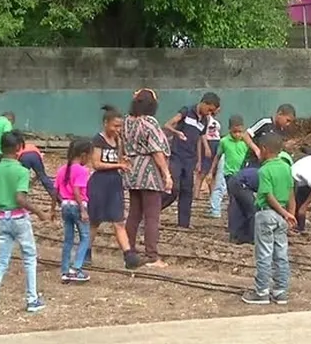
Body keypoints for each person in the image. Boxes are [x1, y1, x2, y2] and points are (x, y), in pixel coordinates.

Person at [0, 131, 49, 318]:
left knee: (0, 260)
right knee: (29, 257)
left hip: (1, 218)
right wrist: (40, 212)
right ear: (19, 148)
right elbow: (20, 198)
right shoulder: (22, 171)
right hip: (19, 219)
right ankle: (32, 299)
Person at [242, 134, 296, 305]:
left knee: (264, 254)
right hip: (282, 217)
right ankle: (280, 291)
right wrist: (289, 214)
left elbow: (268, 195)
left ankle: (262, 292)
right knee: (281, 253)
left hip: (267, 214)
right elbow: (290, 193)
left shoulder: (264, 170)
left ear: (264, 149)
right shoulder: (286, 168)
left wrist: (284, 212)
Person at [89, 106, 144, 269]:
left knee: (118, 221)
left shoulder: (118, 140)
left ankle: (129, 256)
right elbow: (96, 164)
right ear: (105, 123)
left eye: (120, 126)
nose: (117, 129)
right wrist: (118, 164)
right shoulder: (97, 140)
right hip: (100, 183)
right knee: (94, 221)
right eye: (115, 126)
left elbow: (118, 159)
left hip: (114, 182)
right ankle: (85, 251)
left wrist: (123, 161)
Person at [123, 88, 173, 267]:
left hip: (132, 170)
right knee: (152, 215)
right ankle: (152, 255)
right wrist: (166, 174)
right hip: (149, 171)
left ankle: (128, 250)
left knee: (134, 213)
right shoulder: (149, 122)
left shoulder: (127, 121)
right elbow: (156, 151)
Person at [161, 92, 221, 228]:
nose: (210, 113)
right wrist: (177, 133)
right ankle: (153, 211)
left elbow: (200, 138)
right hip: (177, 155)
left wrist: (199, 160)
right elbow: (168, 124)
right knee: (173, 188)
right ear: (204, 103)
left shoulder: (204, 120)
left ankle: (184, 223)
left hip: (190, 158)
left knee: (187, 190)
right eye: (209, 109)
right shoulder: (186, 111)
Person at [54, 139, 94, 282]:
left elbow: (56, 191)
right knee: (85, 237)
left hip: (65, 205)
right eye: (89, 156)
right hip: (78, 205)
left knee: (68, 239)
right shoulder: (82, 170)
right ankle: (76, 268)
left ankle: (65, 270)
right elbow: (77, 190)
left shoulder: (62, 169)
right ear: (83, 155)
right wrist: (83, 210)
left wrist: (54, 208)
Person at [210, 115, 249, 219]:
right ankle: (232, 218)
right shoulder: (224, 141)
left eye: (240, 132)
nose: (237, 134)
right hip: (229, 173)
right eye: (234, 132)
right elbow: (217, 156)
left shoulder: (246, 142)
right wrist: (211, 171)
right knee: (232, 197)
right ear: (229, 130)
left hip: (243, 174)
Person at [227, 165, 260, 244]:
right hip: (241, 183)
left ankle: (236, 236)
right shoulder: (268, 176)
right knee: (252, 210)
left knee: (238, 208)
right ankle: (252, 237)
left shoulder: (263, 171)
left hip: (233, 180)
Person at [16, 134, 56, 198]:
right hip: (35, 155)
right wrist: (35, 179)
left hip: (23, 156)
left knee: (22, 178)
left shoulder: (17, 148)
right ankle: (57, 196)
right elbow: (39, 160)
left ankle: (20, 195)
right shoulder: (31, 145)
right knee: (43, 176)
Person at [196, 112, 222, 201]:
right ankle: (196, 194)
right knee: (203, 171)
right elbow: (201, 136)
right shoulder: (204, 119)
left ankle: (213, 195)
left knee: (213, 171)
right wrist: (206, 146)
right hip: (208, 143)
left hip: (216, 143)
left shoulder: (214, 120)